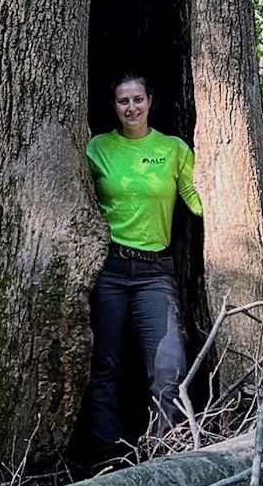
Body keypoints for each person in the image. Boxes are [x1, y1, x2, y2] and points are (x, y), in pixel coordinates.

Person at [84, 73, 203, 465]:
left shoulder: (172, 148)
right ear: (114, 106)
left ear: (150, 100)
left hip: (155, 270)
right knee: (105, 364)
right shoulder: (98, 147)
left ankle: (163, 452)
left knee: (168, 364)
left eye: (138, 99)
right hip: (109, 267)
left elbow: (193, 195)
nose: (131, 108)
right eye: (123, 101)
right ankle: (105, 456)